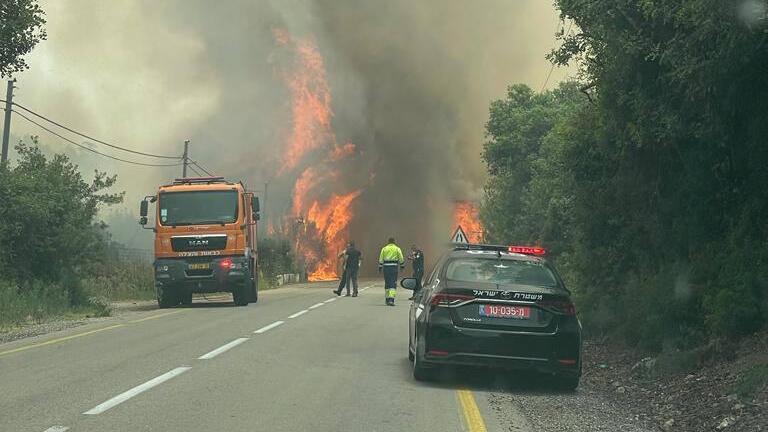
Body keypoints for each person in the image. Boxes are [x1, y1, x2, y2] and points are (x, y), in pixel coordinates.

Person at [378, 237, 404, 306]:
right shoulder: (397, 248)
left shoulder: (384, 248)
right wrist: (402, 266)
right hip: (394, 268)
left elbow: (381, 258)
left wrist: (380, 267)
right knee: (393, 283)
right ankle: (391, 300)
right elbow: (401, 257)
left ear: (388, 242)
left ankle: (387, 299)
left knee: (387, 283)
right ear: (394, 241)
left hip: (386, 268)